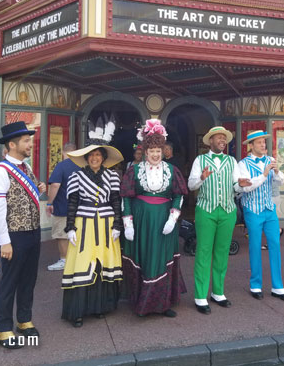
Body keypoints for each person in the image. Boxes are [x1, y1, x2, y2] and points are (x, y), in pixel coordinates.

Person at [120, 119, 188, 317]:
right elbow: (126, 197)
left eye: (159, 151)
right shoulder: (134, 170)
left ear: (163, 150)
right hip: (141, 221)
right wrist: (128, 224)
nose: (156, 154)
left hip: (163, 222)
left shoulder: (172, 170)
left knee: (161, 258)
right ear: (145, 152)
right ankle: (141, 301)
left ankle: (162, 304)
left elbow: (179, 195)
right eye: (152, 151)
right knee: (144, 257)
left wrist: (172, 218)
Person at [0, 121, 46, 349]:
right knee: (10, 282)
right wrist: (4, 241)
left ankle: (24, 320)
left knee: (28, 280)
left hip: (32, 232)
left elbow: (22, 195)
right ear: (12, 144)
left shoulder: (25, 167)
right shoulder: (0, 172)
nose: (30, 144)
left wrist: (37, 188)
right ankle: (3, 328)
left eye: (29, 140)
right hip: (13, 236)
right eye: (26, 140)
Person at [188, 125, 251, 314]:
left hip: (227, 210)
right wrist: (201, 177)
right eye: (219, 138)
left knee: (222, 252)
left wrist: (241, 185)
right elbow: (191, 185)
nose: (223, 141)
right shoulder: (200, 160)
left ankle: (218, 292)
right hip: (206, 210)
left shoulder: (232, 161)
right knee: (204, 252)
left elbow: (236, 186)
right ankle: (200, 295)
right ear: (210, 141)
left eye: (224, 138)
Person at [62, 142, 124, 328]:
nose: (95, 158)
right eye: (91, 155)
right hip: (84, 224)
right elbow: (72, 203)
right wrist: (70, 227)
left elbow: (115, 201)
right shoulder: (76, 176)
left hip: (106, 224)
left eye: (98, 154)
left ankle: (99, 307)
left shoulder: (112, 175)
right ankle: (78, 312)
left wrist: (117, 225)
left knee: (103, 264)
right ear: (86, 158)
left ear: (103, 158)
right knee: (82, 263)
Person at [238, 130, 284, 302]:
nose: (263, 145)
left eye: (264, 142)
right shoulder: (243, 164)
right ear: (251, 145)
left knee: (275, 244)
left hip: (269, 209)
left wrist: (276, 172)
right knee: (255, 245)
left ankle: (278, 286)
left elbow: (280, 182)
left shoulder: (270, 160)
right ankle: (255, 284)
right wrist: (263, 175)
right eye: (260, 142)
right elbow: (246, 187)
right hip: (252, 209)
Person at [46, 143, 79, 271]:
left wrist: (49, 202)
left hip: (63, 206)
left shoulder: (61, 166)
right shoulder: (83, 165)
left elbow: (55, 185)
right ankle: (76, 259)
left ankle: (64, 260)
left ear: (63, 153)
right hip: (80, 207)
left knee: (61, 234)